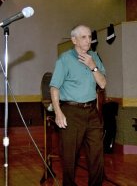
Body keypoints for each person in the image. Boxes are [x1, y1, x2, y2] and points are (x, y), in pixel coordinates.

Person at [49, 25, 106, 186]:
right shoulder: (64, 59)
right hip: (71, 111)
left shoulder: (94, 56)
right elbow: (54, 87)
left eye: (90, 37)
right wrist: (58, 112)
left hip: (91, 112)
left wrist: (92, 66)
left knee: (97, 154)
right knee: (69, 156)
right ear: (74, 40)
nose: (88, 40)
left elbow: (102, 84)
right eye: (84, 37)